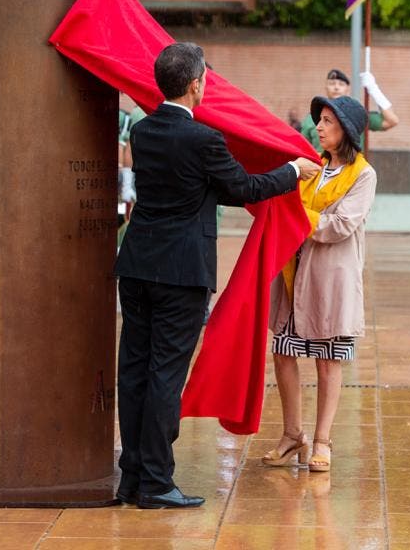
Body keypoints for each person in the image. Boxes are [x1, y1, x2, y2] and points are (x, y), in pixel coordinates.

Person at [113, 42, 319, 509]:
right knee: (165, 374)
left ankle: (131, 478)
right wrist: (291, 170)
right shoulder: (203, 139)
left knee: (135, 372)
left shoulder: (143, 132)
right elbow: (242, 187)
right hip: (182, 273)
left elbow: (211, 189)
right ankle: (157, 482)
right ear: (195, 85)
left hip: (138, 264)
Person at [265, 95, 377, 472]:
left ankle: (323, 440)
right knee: (283, 352)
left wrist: (295, 214)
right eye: (320, 120)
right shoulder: (310, 167)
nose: (319, 127)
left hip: (330, 281)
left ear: (345, 130)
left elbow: (341, 225)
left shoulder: (362, 174)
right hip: (294, 275)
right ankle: (292, 434)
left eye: (328, 121)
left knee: (328, 361)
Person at [300, 69, 398, 152]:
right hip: (322, 171)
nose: (336, 87)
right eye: (332, 83)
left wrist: (374, 89)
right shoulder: (311, 118)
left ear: (347, 89)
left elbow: (391, 121)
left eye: (341, 84)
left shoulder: (357, 115)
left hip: (353, 170)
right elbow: (303, 149)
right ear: (325, 87)